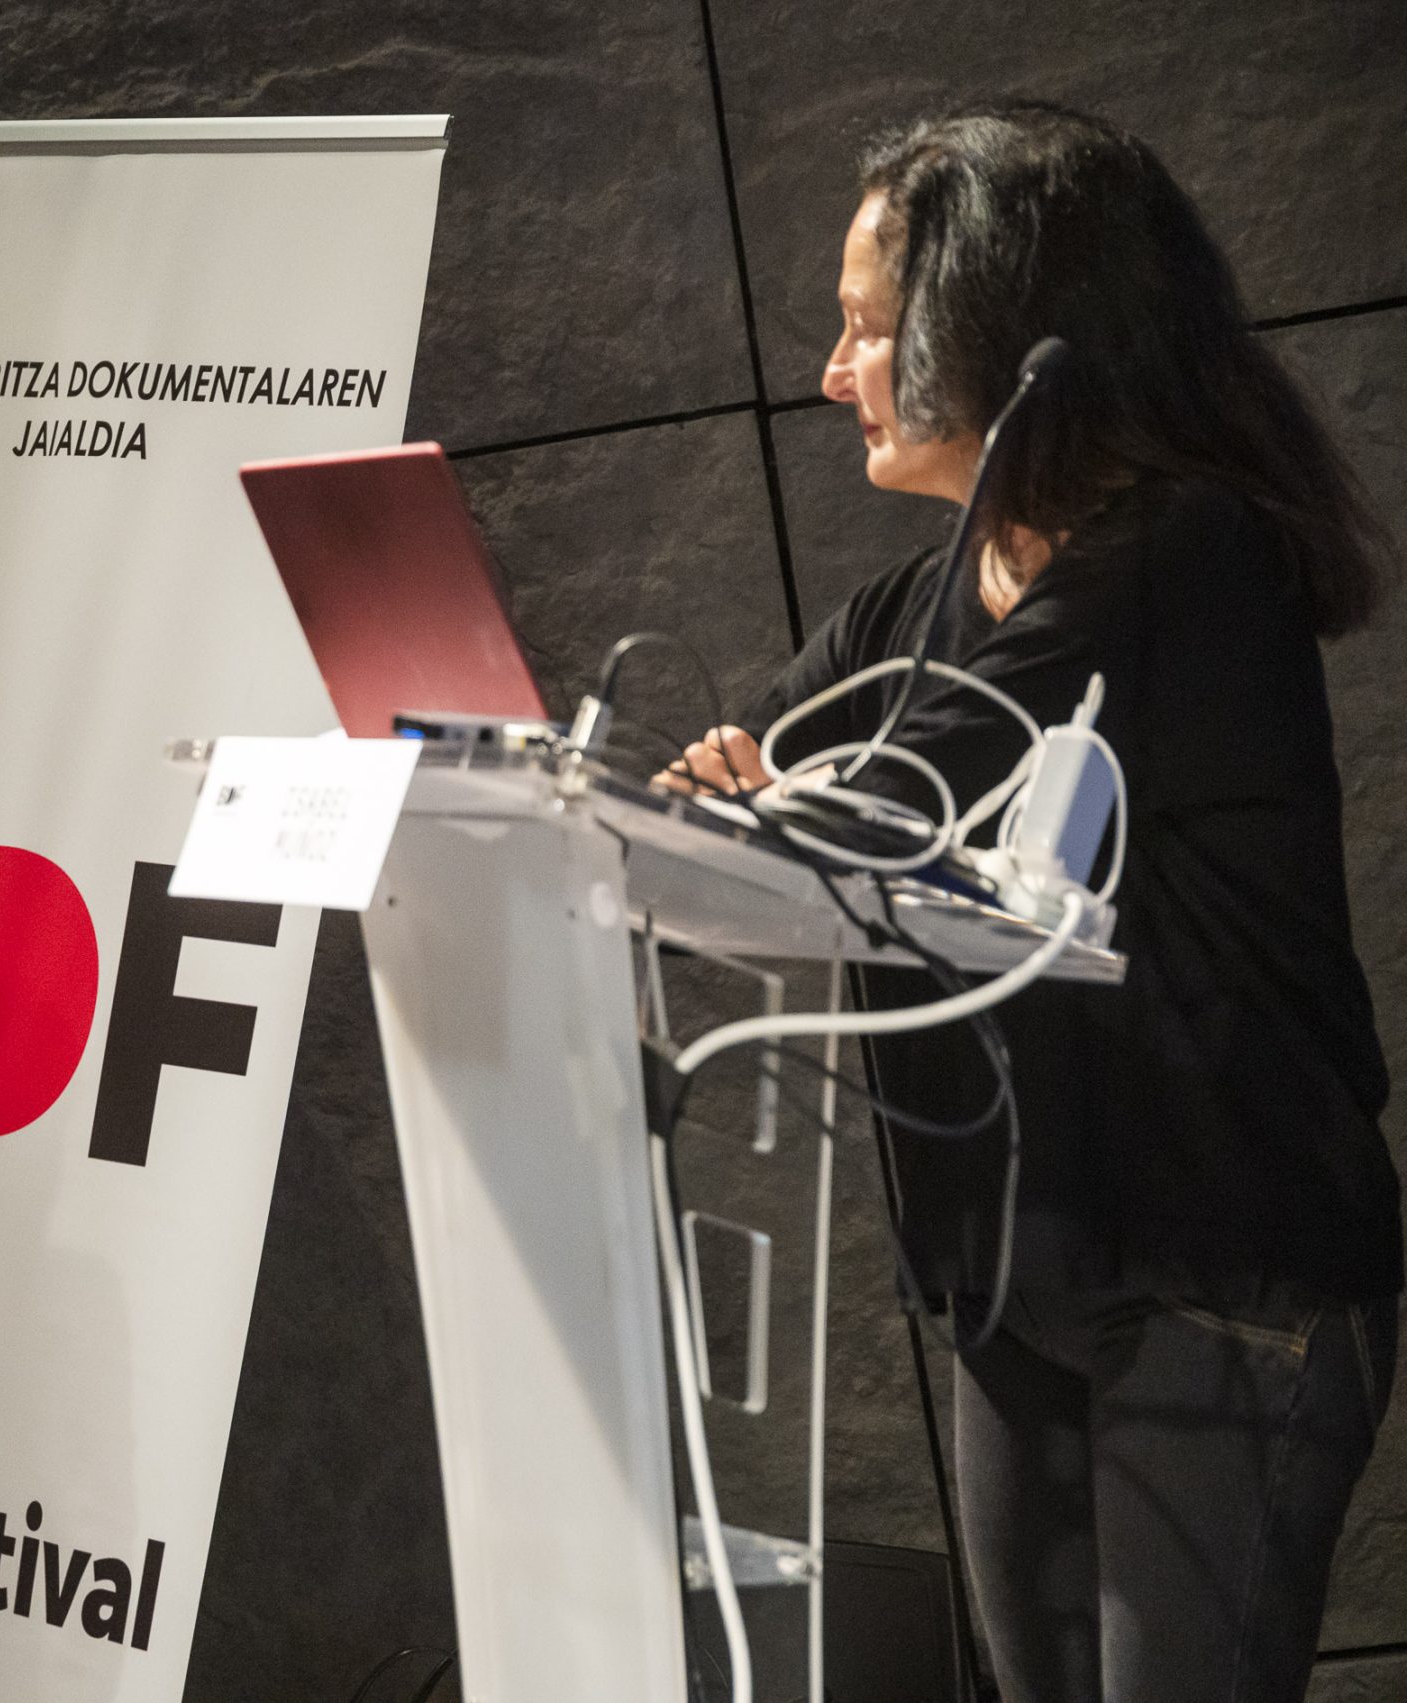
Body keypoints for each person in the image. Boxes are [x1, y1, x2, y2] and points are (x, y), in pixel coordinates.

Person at [669, 104, 1400, 1703]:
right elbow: (720, 803)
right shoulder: (905, 608)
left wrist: (775, 796)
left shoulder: (1185, 556)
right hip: (1022, 1292)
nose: (833, 372)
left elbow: (898, 787)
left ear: (1001, 333)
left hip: (1227, 1287)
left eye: (868, 327)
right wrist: (714, 800)